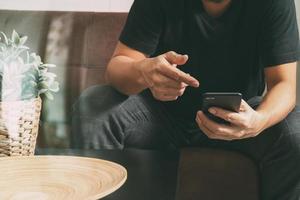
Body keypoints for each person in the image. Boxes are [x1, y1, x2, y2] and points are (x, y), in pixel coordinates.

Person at [72, 0, 300, 199]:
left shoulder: (274, 2)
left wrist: (259, 121)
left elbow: (284, 85)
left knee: (295, 133)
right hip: (158, 117)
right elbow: (117, 67)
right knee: (94, 105)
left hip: (237, 118)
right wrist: (144, 72)